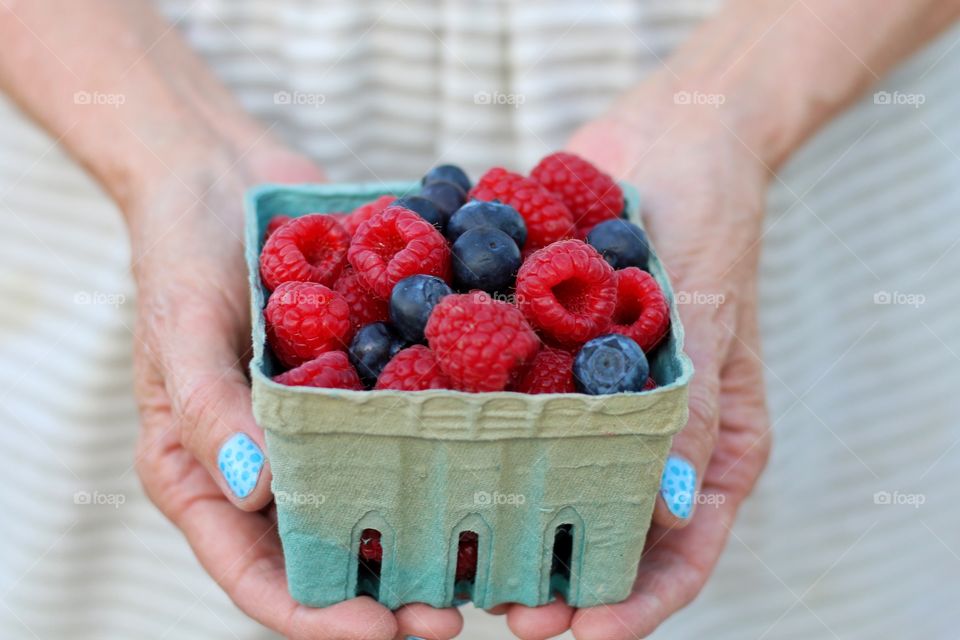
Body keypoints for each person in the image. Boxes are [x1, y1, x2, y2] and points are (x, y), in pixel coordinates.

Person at [2, 1, 959, 639]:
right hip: (152, 132)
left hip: (785, 156)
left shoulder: (569, 275)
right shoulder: (345, 282)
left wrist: (727, 116)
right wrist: (169, 145)